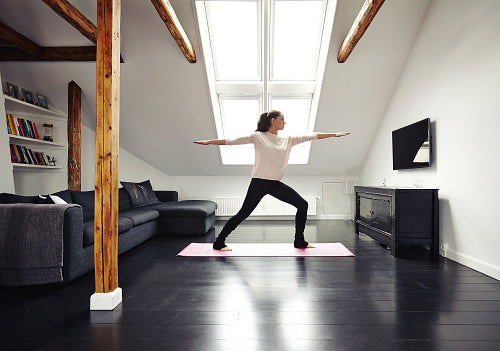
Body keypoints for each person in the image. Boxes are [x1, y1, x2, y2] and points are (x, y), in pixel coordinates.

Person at [194, 110, 350, 251]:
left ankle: (299, 241)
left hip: (274, 183)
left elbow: (312, 135)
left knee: (303, 204)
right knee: (243, 214)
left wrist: (334, 134)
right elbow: (232, 141)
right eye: (282, 119)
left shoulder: (288, 140)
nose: (285, 122)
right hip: (259, 183)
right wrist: (209, 142)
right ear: (273, 120)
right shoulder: (258, 136)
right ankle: (219, 242)